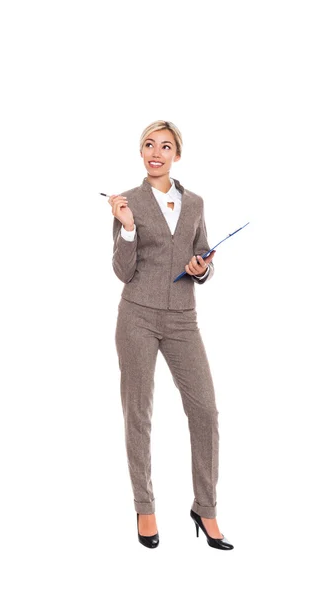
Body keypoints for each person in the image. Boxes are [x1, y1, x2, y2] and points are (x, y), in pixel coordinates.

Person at [108, 120, 233, 550]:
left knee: (206, 412)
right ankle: (145, 505)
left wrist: (203, 267)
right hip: (137, 316)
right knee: (138, 413)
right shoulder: (128, 202)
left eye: (165, 146)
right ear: (140, 152)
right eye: (148, 144)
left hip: (183, 319)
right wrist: (126, 226)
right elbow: (123, 271)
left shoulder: (195, 203)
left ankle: (206, 508)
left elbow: (203, 258)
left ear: (177, 154)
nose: (155, 152)